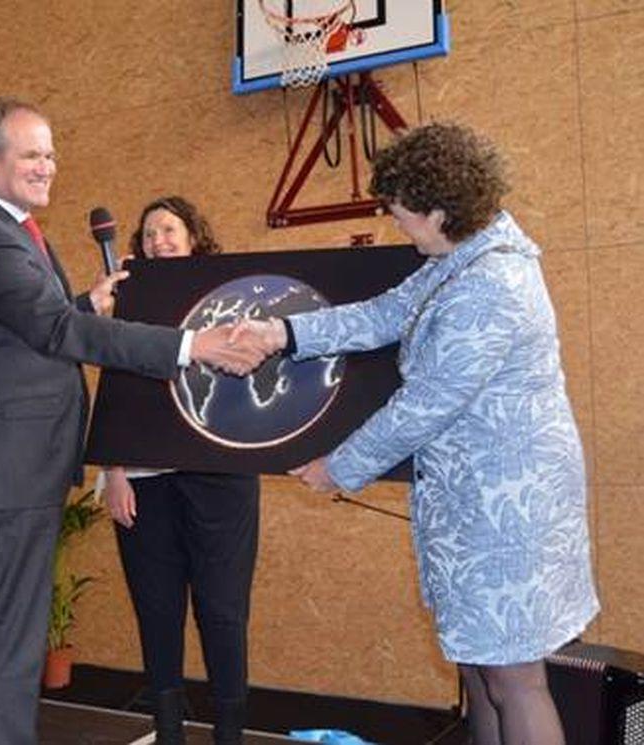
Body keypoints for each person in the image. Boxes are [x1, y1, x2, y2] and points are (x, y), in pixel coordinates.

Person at [238, 122, 599, 745]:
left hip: (508, 511)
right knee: (482, 670)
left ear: (439, 211)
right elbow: (385, 313)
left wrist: (339, 467)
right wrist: (285, 334)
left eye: (402, 217)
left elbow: (426, 406)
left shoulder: (492, 284)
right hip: (475, 503)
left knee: (516, 680)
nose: (397, 229)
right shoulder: (463, 256)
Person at [0, 98, 269, 745]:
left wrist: (86, 299)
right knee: (14, 643)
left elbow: (38, 320)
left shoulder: (10, 229)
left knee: (3, 632)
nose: (46, 167)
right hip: (6, 468)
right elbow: (59, 330)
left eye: (50, 153)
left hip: (16, 464)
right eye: (31, 154)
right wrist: (191, 346)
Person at [100, 196, 260, 745]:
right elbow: (116, 389)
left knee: (222, 610)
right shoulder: (128, 297)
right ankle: (168, 732)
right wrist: (114, 473)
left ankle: (228, 736)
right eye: (148, 234)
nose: (158, 241)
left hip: (221, 476)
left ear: (194, 236)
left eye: (169, 230)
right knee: (157, 610)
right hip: (144, 482)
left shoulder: (230, 297)